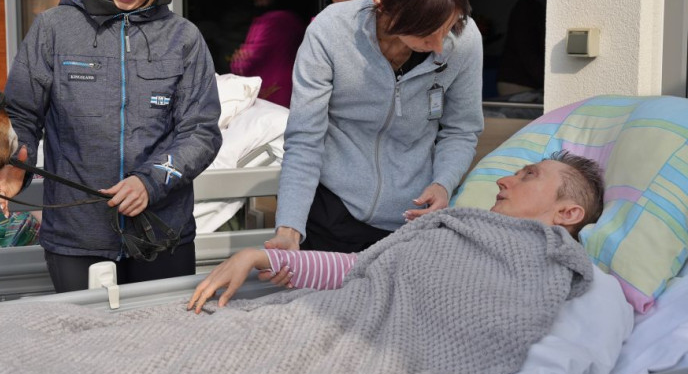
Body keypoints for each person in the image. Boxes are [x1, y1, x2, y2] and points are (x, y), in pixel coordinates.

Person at [0, 0, 222, 293]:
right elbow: (23, 117)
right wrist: (16, 163)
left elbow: (201, 133)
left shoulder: (184, 40)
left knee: (162, 350)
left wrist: (150, 183)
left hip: (162, 235)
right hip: (77, 239)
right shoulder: (53, 29)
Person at [271, 0, 484, 257]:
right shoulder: (330, 32)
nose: (441, 45)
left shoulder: (465, 40)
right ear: (383, 7)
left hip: (412, 221)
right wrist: (289, 228)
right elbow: (305, 138)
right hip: (332, 213)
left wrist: (443, 183)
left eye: (449, 24)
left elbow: (461, 129)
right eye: (427, 33)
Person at [189, 151, 605, 312]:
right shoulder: (455, 227)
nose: (503, 181)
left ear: (568, 212)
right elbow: (361, 268)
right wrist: (260, 256)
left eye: (527, 176)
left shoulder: (560, 271)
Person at [229, 0, 308, 107]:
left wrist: (239, 59)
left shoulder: (273, 22)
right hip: (290, 94)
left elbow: (242, 63)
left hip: (274, 97)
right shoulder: (291, 18)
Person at [496, 0, 548, 97]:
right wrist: (549, 82)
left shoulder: (546, 8)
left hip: (531, 82)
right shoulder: (526, 6)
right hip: (519, 84)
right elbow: (527, 51)